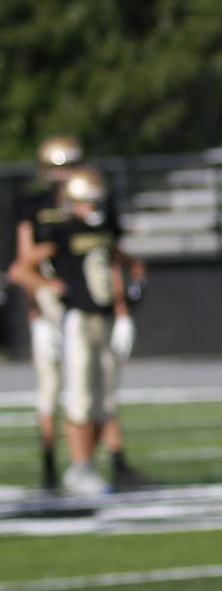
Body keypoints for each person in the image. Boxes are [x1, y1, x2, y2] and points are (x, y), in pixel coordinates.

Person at [37, 167, 138, 498]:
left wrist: (123, 312)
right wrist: (49, 296)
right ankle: (80, 466)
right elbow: (25, 266)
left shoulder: (106, 226)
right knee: (79, 399)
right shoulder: (61, 230)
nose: (93, 206)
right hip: (78, 318)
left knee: (103, 402)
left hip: (106, 318)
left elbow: (118, 264)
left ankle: (85, 465)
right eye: (87, 200)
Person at [10, 136, 86, 492]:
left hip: (84, 305)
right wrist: (39, 291)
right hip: (51, 304)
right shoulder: (33, 206)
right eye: (57, 168)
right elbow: (22, 265)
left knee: (88, 388)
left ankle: (88, 463)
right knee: (52, 389)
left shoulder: (86, 201)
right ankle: (50, 466)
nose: (63, 175)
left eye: (69, 166)